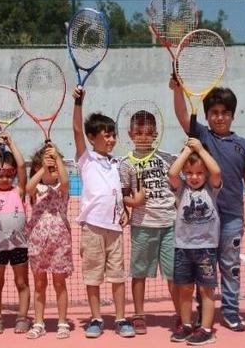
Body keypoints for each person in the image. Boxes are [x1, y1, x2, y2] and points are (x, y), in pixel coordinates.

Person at [170, 78, 245, 331]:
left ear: (232, 115)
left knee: (230, 267)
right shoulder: (202, 136)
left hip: (231, 218)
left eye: (225, 113)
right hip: (202, 221)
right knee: (201, 268)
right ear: (207, 117)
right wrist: (177, 91)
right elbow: (181, 113)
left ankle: (230, 311)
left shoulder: (243, 146)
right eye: (214, 113)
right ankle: (201, 311)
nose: (220, 118)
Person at [72, 86, 133, 338]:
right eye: (105, 135)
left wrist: (126, 209)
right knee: (93, 277)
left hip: (115, 228)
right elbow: (76, 129)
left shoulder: (117, 164)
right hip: (92, 228)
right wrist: (78, 103)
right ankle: (96, 318)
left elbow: (118, 192)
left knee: (118, 277)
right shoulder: (85, 158)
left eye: (113, 135)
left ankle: (120, 318)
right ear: (91, 137)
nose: (111, 139)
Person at [119, 110, 178, 334]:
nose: (143, 136)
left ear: (156, 134)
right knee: (139, 272)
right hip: (142, 226)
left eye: (148, 133)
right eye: (138, 132)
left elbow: (177, 187)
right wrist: (132, 203)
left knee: (174, 275)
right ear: (130, 134)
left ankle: (181, 314)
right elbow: (124, 194)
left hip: (169, 224)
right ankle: (139, 314)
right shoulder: (125, 164)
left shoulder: (167, 159)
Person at [167, 138, 223, 346]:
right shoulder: (181, 189)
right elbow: (172, 173)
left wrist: (199, 149)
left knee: (206, 290)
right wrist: (186, 152)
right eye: (189, 173)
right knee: (184, 289)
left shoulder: (212, 188)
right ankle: (187, 325)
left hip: (206, 249)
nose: (194, 177)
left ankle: (206, 329)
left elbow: (216, 171)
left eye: (199, 173)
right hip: (183, 248)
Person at [24, 143, 73, 339]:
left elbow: (65, 180)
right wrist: (44, 167)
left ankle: (62, 322)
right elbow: (27, 187)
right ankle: (38, 322)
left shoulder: (62, 189)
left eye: (54, 169)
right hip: (37, 243)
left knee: (60, 283)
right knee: (39, 284)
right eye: (45, 168)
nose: (51, 172)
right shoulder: (36, 189)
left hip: (60, 243)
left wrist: (57, 160)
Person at [0, 132, 31, 334]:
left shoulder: (19, 191)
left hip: (19, 246)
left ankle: (22, 317)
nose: (3, 178)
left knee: (22, 282)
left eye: (7, 174)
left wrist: (11, 143)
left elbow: (22, 166)